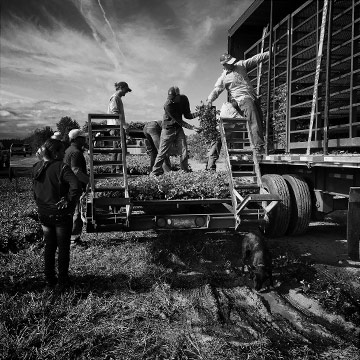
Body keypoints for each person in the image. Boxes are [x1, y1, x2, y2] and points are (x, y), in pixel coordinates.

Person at [32, 138, 82, 289]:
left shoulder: (36, 166)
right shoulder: (62, 167)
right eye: (62, 150)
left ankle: (49, 279)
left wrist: (41, 204)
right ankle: (63, 281)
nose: (64, 153)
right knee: (63, 248)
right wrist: (68, 200)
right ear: (55, 152)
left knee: (49, 246)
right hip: (60, 215)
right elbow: (76, 186)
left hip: (44, 214)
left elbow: (35, 191)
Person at [206, 52, 269, 153]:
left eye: (232, 61)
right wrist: (210, 99)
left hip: (252, 97)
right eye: (229, 63)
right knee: (253, 121)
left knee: (259, 121)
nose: (232, 64)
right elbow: (216, 90)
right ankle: (258, 147)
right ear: (224, 64)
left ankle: (262, 144)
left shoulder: (240, 65)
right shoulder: (223, 78)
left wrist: (269, 53)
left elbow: (254, 59)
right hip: (243, 99)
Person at [151, 86, 201, 176]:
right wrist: (192, 127)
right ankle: (154, 173)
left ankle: (185, 172)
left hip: (178, 128)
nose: (172, 100)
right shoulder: (167, 105)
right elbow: (179, 120)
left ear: (178, 95)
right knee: (162, 152)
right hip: (168, 129)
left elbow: (187, 115)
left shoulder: (184, 99)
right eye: (171, 98)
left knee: (184, 151)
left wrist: (199, 113)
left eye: (173, 98)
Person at [63, 129, 89, 245]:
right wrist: (89, 181)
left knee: (73, 211)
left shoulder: (69, 150)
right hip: (73, 187)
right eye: (83, 138)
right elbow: (76, 171)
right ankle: (73, 240)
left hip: (68, 186)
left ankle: (71, 238)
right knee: (76, 212)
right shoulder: (76, 152)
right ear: (77, 139)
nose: (85, 139)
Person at [107, 81, 132, 172]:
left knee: (117, 149)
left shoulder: (117, 98)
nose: (126, 92)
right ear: (121, 87)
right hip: (116, 127)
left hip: (116, 126)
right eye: (126, 90)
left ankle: (115, 169)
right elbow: (115, 114)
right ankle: (118, 170)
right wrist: (124, 126)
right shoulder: (115, 98)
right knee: (121, 149)